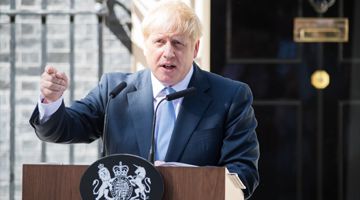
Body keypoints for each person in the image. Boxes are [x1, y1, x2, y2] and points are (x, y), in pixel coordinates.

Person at [29, 1, 260, 198]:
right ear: (146, 45)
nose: (168, 53)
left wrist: (192, 178)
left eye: (178, 43)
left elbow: (244, 173)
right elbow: (62, 129)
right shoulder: (115, 90)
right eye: (159, 42)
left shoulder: (230, 96)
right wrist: (51, 101)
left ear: (196, 47)